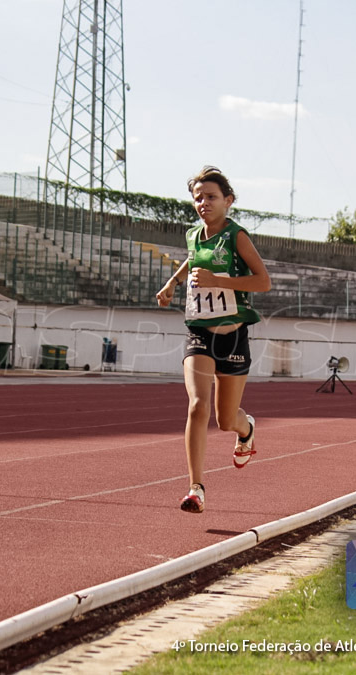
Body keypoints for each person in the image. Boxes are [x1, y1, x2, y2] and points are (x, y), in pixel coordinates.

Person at [156, 166, 271, 514]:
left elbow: (263, 282)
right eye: (197, 198)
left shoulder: (237, 237)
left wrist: (217, 282)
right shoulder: (194, 235)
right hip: (200, 332)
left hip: (234, 335)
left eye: (211, 197)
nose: (203, 203)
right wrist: (173, 283)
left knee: (225, 420)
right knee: (196, 405)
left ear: (228, 201)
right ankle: (196, 488)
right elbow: (193, 261)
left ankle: (246, 429)